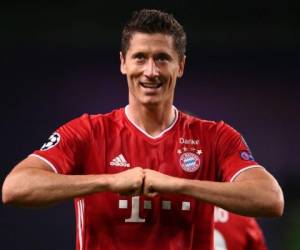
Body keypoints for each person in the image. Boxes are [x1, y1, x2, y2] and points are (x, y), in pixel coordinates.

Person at [2, 9, 284, 250]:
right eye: (140, 57)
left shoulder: (216, 136)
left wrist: (178, 185)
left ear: (181, 66)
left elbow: (271, 199)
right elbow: (15, 188)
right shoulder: (88, 131)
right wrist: (108, 182)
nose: (151, 71)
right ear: (123, 62)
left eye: (162, 58)